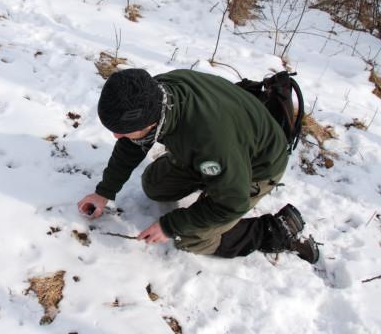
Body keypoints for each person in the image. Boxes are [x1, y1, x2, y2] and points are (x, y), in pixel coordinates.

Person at [77, 68, 319, 263]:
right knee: (155, 185)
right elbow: (133, 141)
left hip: (259, 165)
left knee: (191, 237)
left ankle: (272, 230)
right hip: (222, 148)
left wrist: (170, 225)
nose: (116, 137)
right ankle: (211, 176)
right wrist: (104, 192)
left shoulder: (210, 143)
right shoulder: (154, 92)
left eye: (122, 131)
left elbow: (233, 203)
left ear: (150, 121)